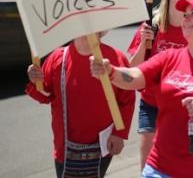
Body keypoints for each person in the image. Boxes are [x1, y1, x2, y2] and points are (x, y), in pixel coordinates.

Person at [91, 0, 193, 177]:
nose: (185, 18)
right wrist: (110, 71)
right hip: (160, 169)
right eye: (185, 14)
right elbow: (136, 76)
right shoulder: (169, 58)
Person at [26, 34, 135, 178]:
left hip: (102, 147)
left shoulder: (115, 58)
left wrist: (119, 134)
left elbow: (127, 100)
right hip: (65, 149)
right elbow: (45, 96)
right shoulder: (58, 58)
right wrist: (36, 82)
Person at [128, 0, 193, 169]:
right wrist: (144, 44)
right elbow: (133, 70)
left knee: (180, 167)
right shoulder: (152, 26)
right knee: (148, 168)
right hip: (152, 106)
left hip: (184, 108)